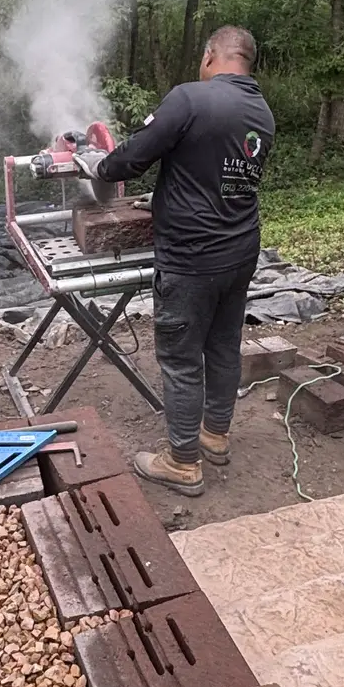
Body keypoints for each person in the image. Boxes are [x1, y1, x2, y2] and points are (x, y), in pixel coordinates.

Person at [88, 25, 275, 495]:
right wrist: (168, 196)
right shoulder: (262, 113)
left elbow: (134, 157)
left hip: (192, 258)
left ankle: (183, 461)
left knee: (181, 358)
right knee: (223, 345)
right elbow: (217, 176)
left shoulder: (191, 98)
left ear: (211, 56)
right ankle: (215, 435)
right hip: (241, 252)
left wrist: (98, 166)